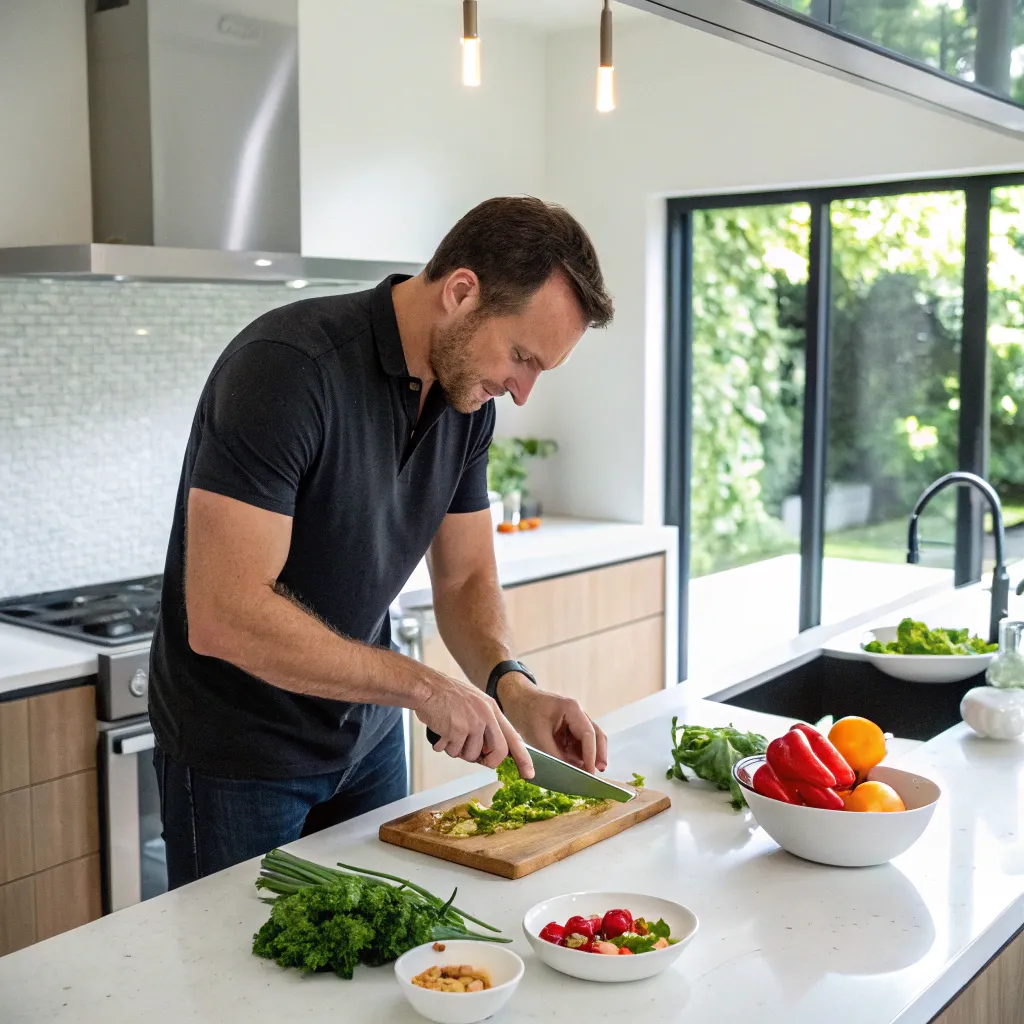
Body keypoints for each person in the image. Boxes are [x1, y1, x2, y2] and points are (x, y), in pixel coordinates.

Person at [149, 195, 616, 888]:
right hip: (239, 760)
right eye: (521, 357)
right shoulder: (286, 368)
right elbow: (223, 614)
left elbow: (464, 581)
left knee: (380, 967)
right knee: (243, 986)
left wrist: (512, 688)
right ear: (461, 293)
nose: (522, 393)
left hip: (367, 740)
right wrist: (424, 688)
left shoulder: (466, 401)